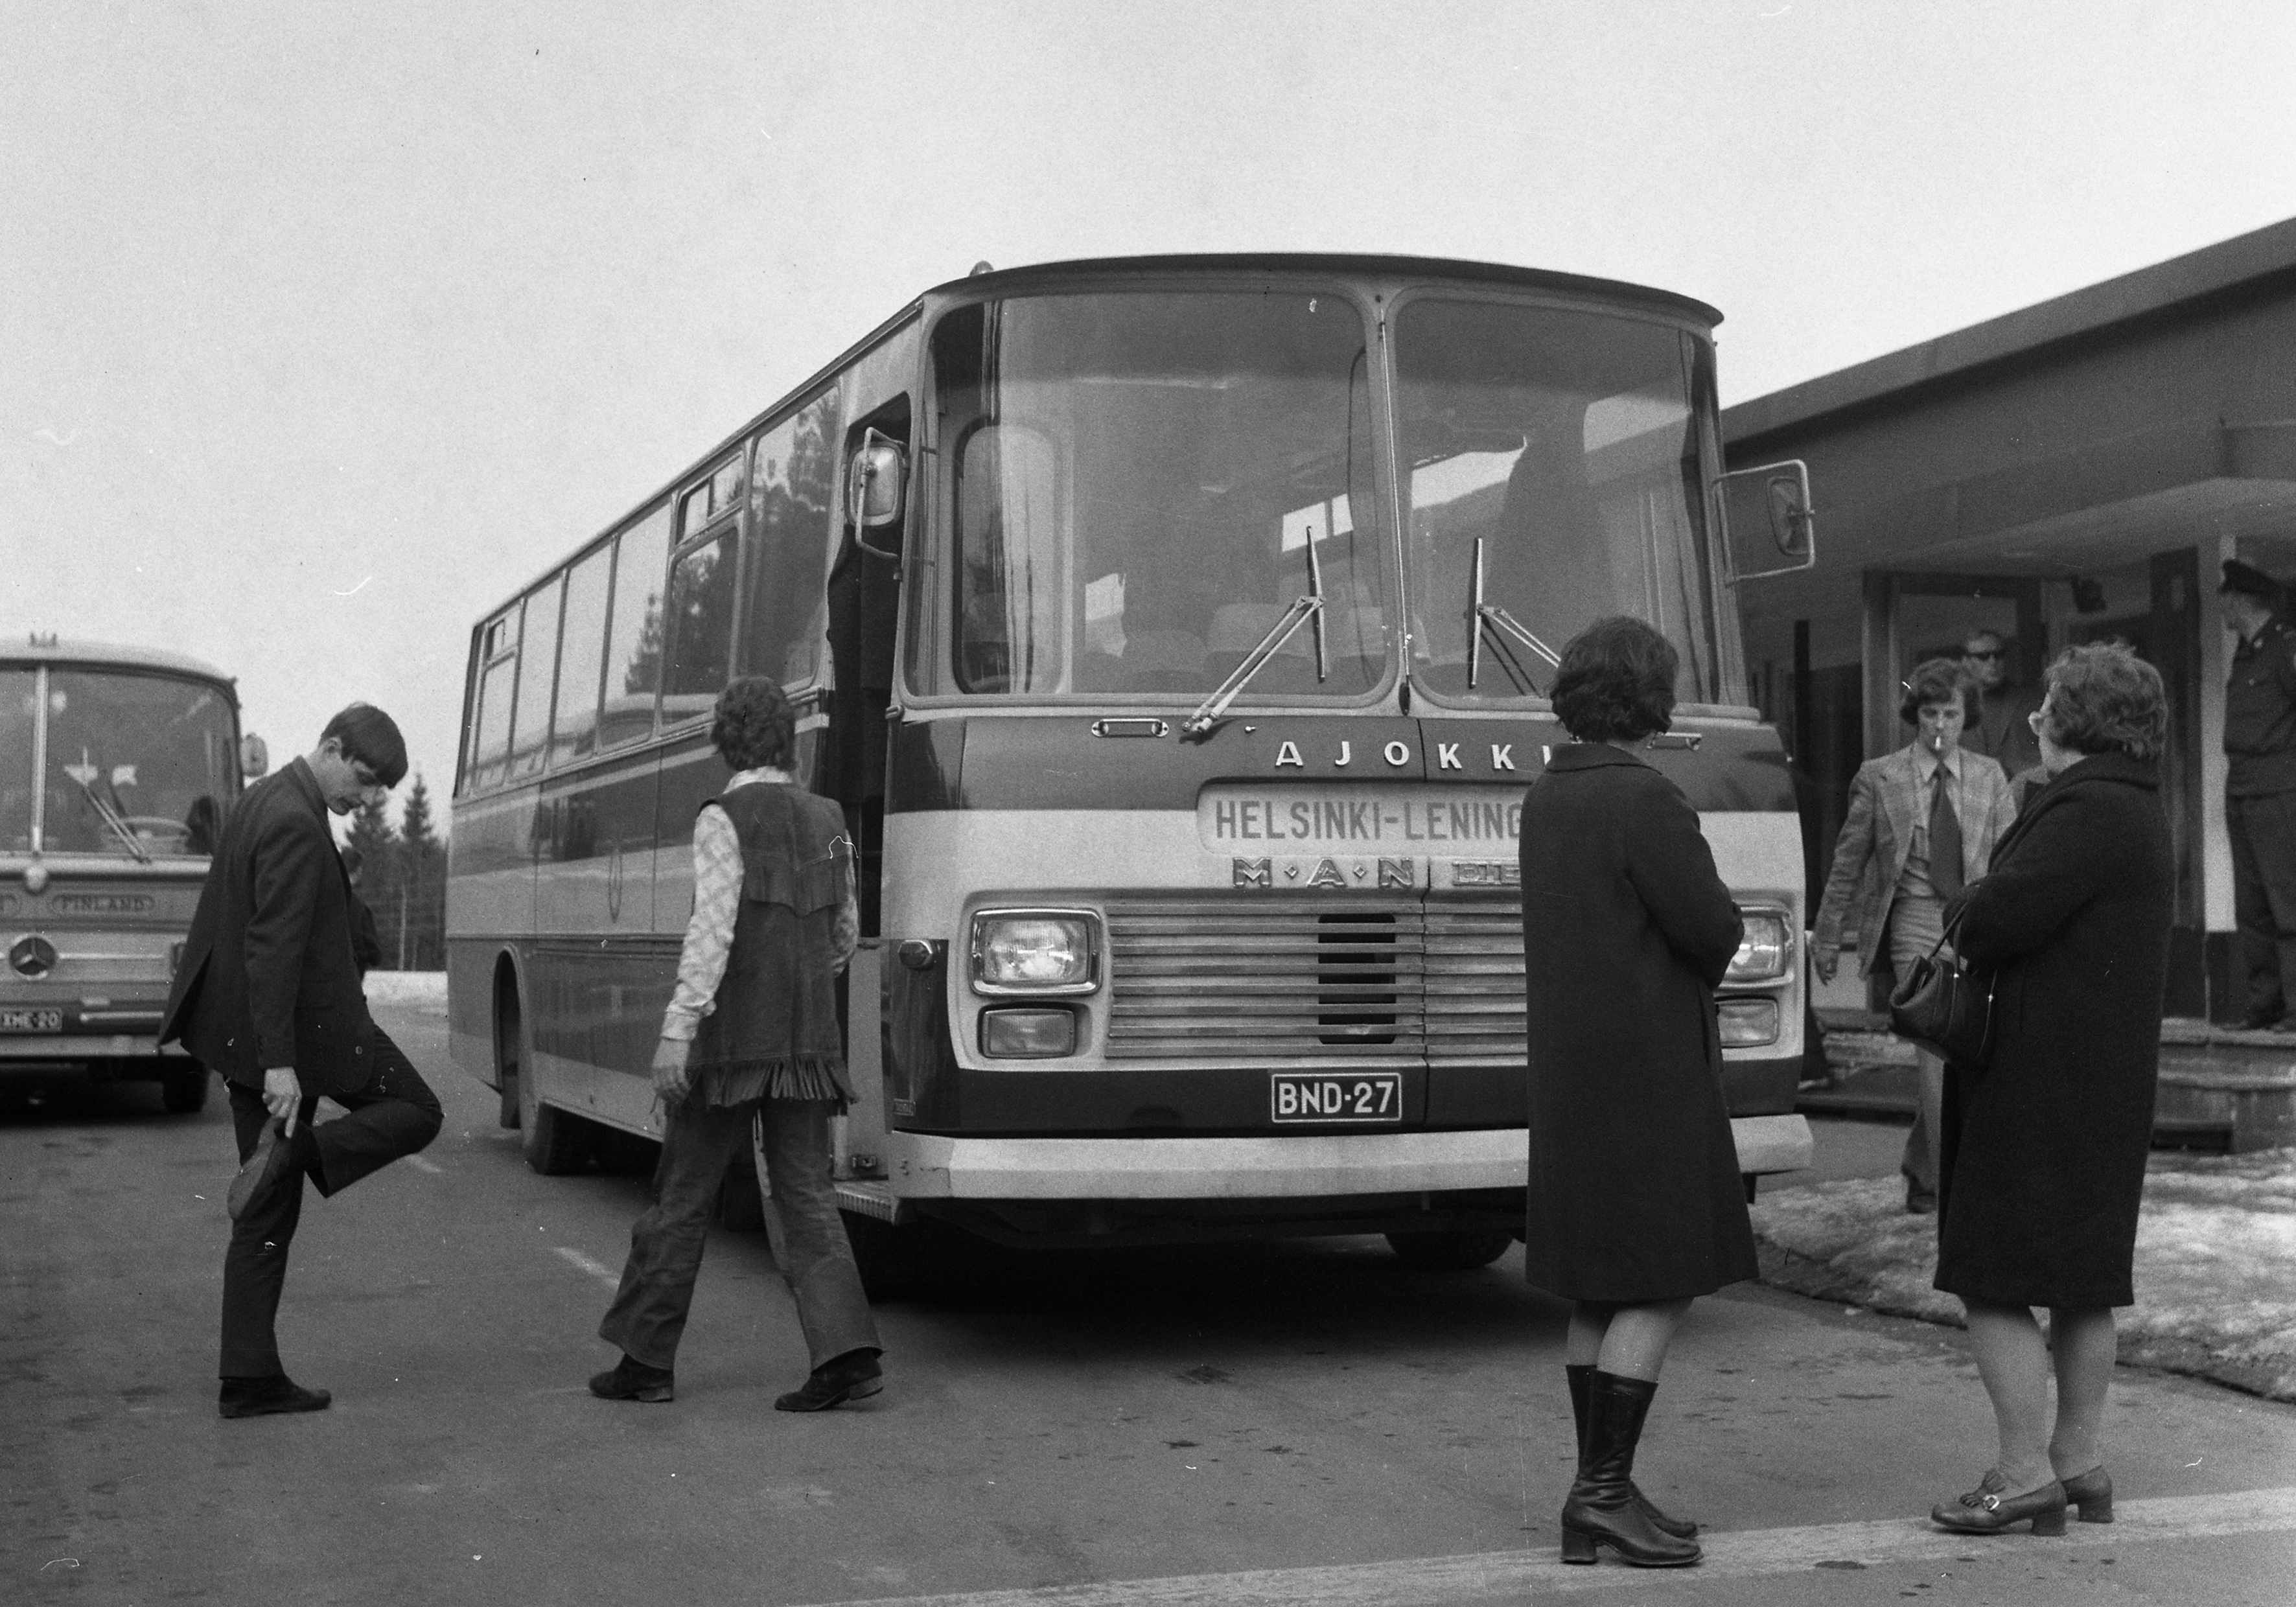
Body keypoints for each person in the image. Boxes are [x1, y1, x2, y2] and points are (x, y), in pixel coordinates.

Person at [1518, 616, 1754, 1569]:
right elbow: (1712, 928)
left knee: (1598, 1283)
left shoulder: (1546, 794)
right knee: (1663, 1278)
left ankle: (1599, 1494)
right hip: (1650, 1073)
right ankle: (1602, 1492)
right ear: (1650, 698)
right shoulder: (1646, 797)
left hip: (1573, 1076)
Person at [1927, 642, 2173, 1535]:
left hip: (2038, 1083)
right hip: (2099, 1081)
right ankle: (2078, 1463)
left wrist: (1965, 902)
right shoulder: (2132, 802)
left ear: (2071, 719)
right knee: (2081, 1279)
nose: (2033, 716)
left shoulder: (2085, 806)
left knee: (1989, 1274)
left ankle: (2022, 1471)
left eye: (2046, 703)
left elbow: (1994, 917)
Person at [590, 677, 883, 1411]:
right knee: (807, 1195)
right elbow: (846, 931)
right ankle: (846, 1356)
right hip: (807, 1049)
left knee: (683, 1195)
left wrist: (677, 1030)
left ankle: (646, 1362)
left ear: (725, 740)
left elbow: (711, 931)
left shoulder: (722, 817)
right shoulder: (832, 819)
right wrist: (802, 979)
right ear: (786, 739)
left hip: (728, 1048)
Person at [160, 704, 443, 1418]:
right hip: (296, 1037)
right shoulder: (293, 819)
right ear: (332, 747)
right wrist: (280, 1064)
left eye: (380, 788)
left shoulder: (267, 797)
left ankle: (249, 1376)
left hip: (258, 1035)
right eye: (365, 778)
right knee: (417, 1110)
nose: (369, 798)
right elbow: (272, 948)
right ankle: (296, 1155)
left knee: (265, 1206)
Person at [1813, 659, 2017, 1212]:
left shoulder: (1989, 776)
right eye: (1929, 713)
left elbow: (2008, 861)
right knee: (1936, 1044)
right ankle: (1955, 1194)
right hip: (1913, 921)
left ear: (1966, 716)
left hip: (1974, 923)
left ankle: (1924, 1172)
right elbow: (1848, 862)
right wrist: (1827, 937)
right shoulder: (1880, 776)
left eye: (1950, 713)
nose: (1939, 725)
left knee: (1960, 1050)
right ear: (1914, 715)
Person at [2218, 559, 2296, 1030]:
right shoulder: (2245, 653)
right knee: (2251, 906)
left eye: (2225, 597)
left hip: (2279, 790)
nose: (2221, 606)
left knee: (2287, 901)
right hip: (2242, 787)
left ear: (2241, 600)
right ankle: (2264, 1005)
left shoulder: (2285, 648)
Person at [1958, 630, 2043, 781]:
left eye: (1998, 655)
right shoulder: (1955, 707)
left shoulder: (2031, 700)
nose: (1993, 662)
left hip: (2024, 788)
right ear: (1966, 662)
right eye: (1983, 657)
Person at [339, 844, 385, 976]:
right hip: (349, 979)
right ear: (358, 870)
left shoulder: (320, 899)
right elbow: (375, 956)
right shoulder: (359, 907)